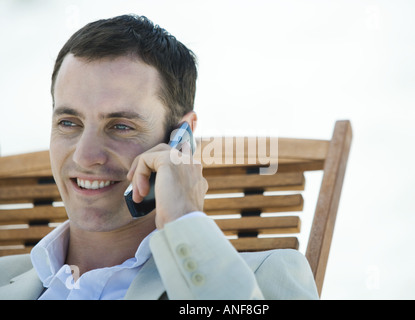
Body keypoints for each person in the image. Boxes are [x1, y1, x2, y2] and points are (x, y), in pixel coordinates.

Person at [0, 14, 318, 300]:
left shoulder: (265, 275)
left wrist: (183, 221)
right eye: (69, 123)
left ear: (181, 138)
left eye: (121, 126)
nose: (85, 156)